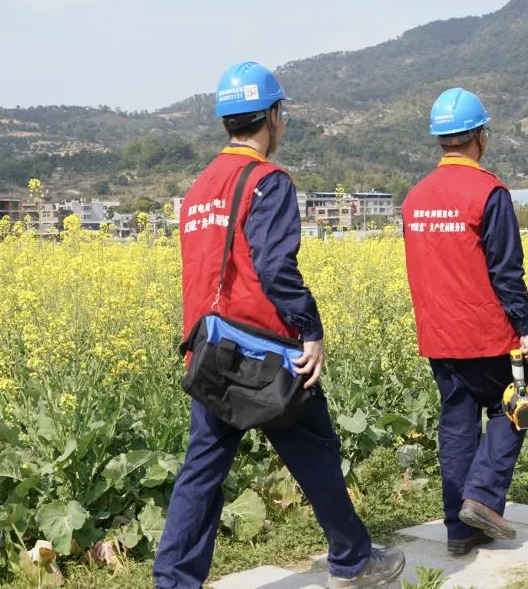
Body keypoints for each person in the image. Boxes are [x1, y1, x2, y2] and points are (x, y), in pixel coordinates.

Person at [154, 62, 404, 589]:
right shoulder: (267, 181)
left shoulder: (199, 189)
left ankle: (173, 582)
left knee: (202, 471)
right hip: (267, 356)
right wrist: (310, 329)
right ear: (271, 116)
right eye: (281, 113)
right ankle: (353, 561)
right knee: (315, 452)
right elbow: (274, 267)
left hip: (211, 351)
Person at [401, 87, 528, 556]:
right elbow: (507, 270)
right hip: (487, 333)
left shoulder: (415, 198)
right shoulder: (489, 192)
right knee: (515, 404)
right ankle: (481, 497)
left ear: (441, 138)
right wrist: (524, 328)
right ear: (480, 135)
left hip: (438, 335)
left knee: (457, 425)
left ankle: (459, 531)